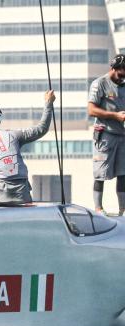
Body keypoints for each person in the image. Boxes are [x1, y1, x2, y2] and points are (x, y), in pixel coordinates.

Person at [88, 54, 125, 216]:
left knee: (123, 174)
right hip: (105, 135)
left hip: (121, 135)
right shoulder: (99, 84)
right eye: (120, 74)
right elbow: (91, 110)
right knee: (100, 173)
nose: (122, 78)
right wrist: (115, 115)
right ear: (113, 69)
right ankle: (98, 208)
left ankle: (122, 209)